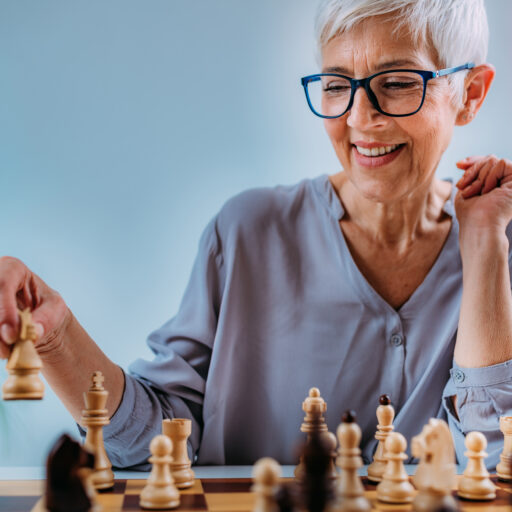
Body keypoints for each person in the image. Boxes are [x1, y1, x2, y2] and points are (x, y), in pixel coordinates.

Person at [1, 0, 511, 469]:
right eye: (336, 85)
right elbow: (151, 443)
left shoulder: (498, 241)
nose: (360, 118)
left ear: (469, 94)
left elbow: (492, 461)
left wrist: (486, 245)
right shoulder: (247, 233)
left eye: (398, 83)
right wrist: (56, 335)